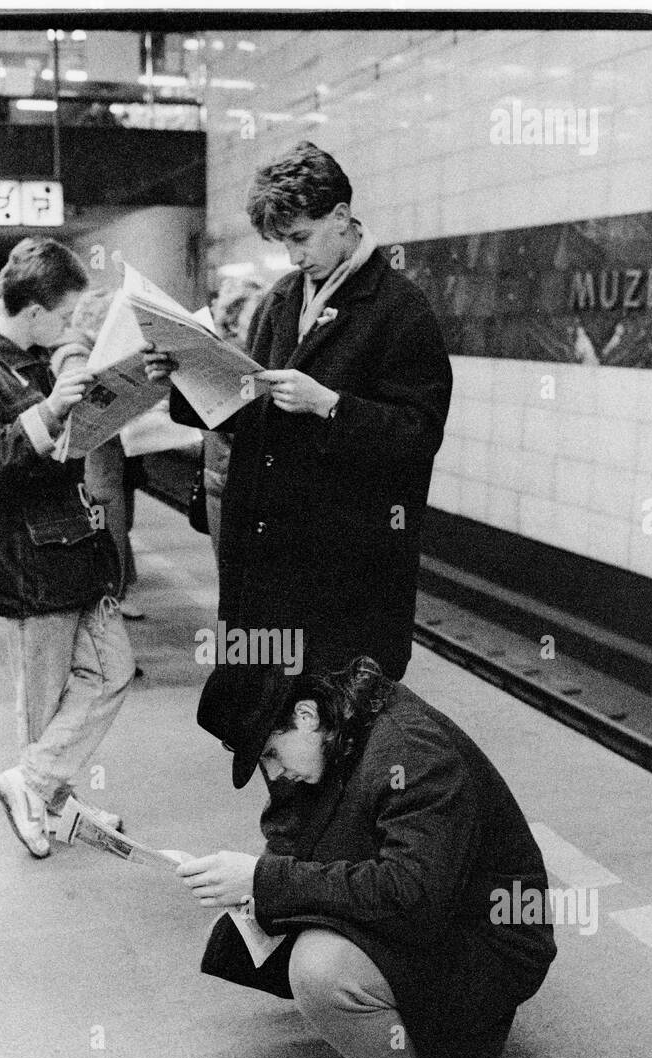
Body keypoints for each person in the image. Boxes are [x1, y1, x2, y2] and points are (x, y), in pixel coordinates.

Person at [144, 142, 453, 851]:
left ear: (342, 217)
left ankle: (339, 876)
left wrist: (331, 406)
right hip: (266, 569)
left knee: (338, 738)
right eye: (281, 242)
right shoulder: (283, 300)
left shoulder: (399, 311)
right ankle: (289, 867)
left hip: (344, 579)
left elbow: (418, 434)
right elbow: (247, 410)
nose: (291, 256)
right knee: (270, 728)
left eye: (300, 237)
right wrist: (186, 376)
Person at [177, 657, 556, 1058]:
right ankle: (390, 1020)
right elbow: (291, 832)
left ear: (305, 715)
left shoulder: (413, 754)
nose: (275, 772)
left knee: (321, 968)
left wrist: (265, 882)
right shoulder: (336, 731)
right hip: (439, 908)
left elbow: (413, 897)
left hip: (490, 938)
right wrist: (253, 887)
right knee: (259, 926)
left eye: (269, 752)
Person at [0, 237, 134, 859]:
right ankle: (47, 802)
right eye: (63, 315)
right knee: (43, 698)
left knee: (112, 671)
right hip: (29, 558)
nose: (69, 326)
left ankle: (34, 784)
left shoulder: (29, 356)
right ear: (31, 312)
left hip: (74, 546)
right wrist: (52, 409)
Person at [49, 286, 142, 618]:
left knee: (114, 527)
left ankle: (117, 591)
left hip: (102, 463)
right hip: (97, 466)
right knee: (108, 529)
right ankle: (112, 597)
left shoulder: (74, 346)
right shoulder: (77, 352)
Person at [203, 276, 265, 565]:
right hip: (230, 481)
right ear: (233, 321)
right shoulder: (232, 362)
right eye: (259, 316)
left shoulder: (232, 356)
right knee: (237, 573)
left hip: (225, 477)